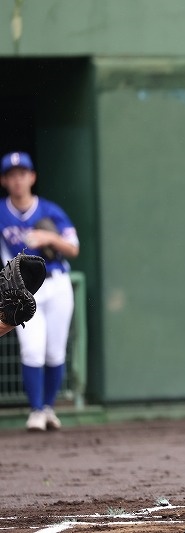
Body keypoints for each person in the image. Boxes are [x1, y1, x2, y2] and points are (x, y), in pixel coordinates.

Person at [0, 152, 79, 432]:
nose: (17, 180)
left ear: (32, 177)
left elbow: (73, 248)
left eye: (22, 174)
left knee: (55, 351)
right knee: (32, 349)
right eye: (11, 175)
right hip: (21, 289)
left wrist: (50, 237)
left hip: (56, 283)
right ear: (4, 181)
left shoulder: (49, 210)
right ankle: (35, 411)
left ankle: (48, 409)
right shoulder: (1, 212)